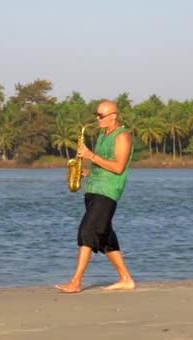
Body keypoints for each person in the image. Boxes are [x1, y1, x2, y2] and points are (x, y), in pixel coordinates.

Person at [55, 100, 135, 294]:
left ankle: (75, 282)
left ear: (113, 116)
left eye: (101, 116)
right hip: (94, 189)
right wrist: (88, 172)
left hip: (108, 192)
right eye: (96, 115)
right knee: (106, 237)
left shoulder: (122, 136)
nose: (97, 119)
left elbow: (118, 167)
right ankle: (126, 279)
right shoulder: (102, 135)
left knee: (87, 231)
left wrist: (91, 156)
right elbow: (104, 164)